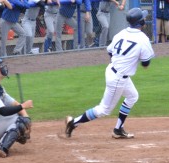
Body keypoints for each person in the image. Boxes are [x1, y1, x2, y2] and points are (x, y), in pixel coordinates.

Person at [65, 8, 155, 139]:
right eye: (144, 18)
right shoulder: (143, 39)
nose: (145, 19)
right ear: (140, 22)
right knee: (104, 110)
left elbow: (110, 51)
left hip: (112, 70)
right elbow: (146, 64)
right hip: (118, 77)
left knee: (132, 96)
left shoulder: (121, 33)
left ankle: (118, 129)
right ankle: (73, 122)